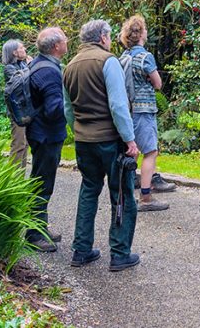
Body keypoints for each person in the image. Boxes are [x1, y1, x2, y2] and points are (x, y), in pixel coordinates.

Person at [63, 19, 141, 271]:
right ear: (103, 38)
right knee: (122, 195)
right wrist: (129, 139)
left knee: (88, 191)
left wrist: (79, 130)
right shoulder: (108, 62)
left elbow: (68, 109)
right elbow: (118, 106)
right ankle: (119, 253)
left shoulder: (69, 66)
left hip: (84, 140)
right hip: (109, 140)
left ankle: (81, 249)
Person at [119, 15, 176, 212]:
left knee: (131, 153)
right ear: (141, 34)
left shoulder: (123, 57)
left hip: (128, 111)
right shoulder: (145, 57)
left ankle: (125, 196)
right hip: (144, 110)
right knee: (150, 152)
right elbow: (158, 84)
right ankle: (146, 197)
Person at [26, 26, 69, 252]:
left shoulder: (37, 64)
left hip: (37, 132)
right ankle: (34, 234)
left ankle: (39, 227)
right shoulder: (50, 72)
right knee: (42, 183)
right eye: (64, 39)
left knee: (39, 181)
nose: (67, 41)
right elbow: (54, 109)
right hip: (47, 135)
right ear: (56, 46)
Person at [1, 39, 31, 172]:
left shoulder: (22, 65)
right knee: (18, 144)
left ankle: (20, 177)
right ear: (14, 52)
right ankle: (12, 180)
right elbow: (20, 81)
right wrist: (31, 66)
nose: (25, 49)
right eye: (22, 47)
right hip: (16, 112)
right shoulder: (8, 68)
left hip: (26, 110)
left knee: (25, 145)